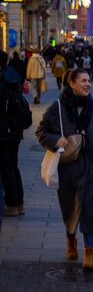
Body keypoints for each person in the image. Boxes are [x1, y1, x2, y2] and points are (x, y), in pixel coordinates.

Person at [36, 69, 93, 270]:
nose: (88, 84)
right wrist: (54, 140)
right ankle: (71, 238)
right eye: (83, 81)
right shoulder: (57, 109)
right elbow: (41, 131)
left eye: (89, 80)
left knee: (89, 208)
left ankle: (89, 250)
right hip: (68, 169)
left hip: (91, 168)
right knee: (69, 208)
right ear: (72, 83)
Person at [0, 51, 31, 217]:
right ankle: (19, 203)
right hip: (15, 130)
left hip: (4, 131)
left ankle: (11, 204)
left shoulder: (2, 81)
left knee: (6, 168)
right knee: (13, 166)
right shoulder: (13, 78)